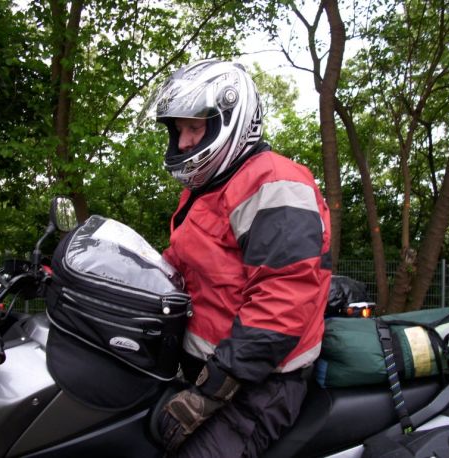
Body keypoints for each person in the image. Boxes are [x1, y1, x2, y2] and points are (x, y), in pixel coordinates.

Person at [150, 59, 332, 457]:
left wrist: (214, 389)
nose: (184, 143)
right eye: (179, 131)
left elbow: (285, 296)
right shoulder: (206, 191)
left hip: (259, 385)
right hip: (209, 373)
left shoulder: (274, 183)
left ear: (229, 120)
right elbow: (174, 270)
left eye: (194, 128)